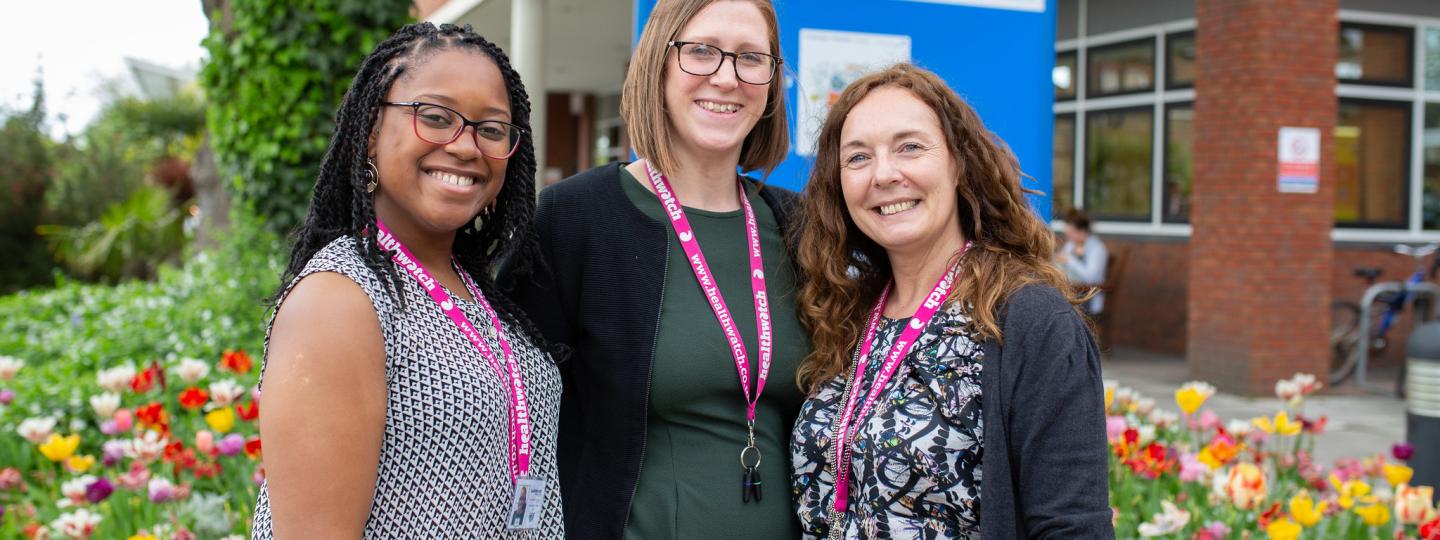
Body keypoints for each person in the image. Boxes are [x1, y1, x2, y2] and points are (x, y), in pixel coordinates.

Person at [499, 0, 806, 537]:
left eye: (751, 58)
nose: (727, 77)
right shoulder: (576, 219)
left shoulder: (800, 226)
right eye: (702, 52)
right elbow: (511, 419)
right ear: (658, 65)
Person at [252, 23, 563, 537]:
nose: (466, 147)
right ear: (372, 132)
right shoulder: (339, 300)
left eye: (491, 129)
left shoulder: (476, 288)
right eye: (436, 118)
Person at [789, 64, 1113, 539]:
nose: (883, 174)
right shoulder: (846, 314)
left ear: (959, 164)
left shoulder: (1031, 322)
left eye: (910, 147)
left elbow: (1073, 527)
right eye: (857, 158)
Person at [1056, 208, 1108, 314]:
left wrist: (1070, 260)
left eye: (1071, 233)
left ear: (1082, 231)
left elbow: (1091, 277)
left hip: (1088, 298)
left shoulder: (1097, 248)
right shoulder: (1070, 245)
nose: (1068, 236)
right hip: (1071, 295)